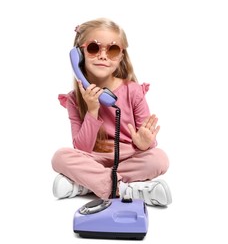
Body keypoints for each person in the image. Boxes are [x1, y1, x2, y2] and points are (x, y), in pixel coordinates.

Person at [51, 18, 172, 206]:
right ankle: (126, 189)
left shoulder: (132, 91)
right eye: (93, 48)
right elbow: (81, 148)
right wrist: (92, 110)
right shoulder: (74, 100)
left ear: (121, 57)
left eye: (113, 49)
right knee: (60, 157)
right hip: (94, 158)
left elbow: (147, 140)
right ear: (79, 55)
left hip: (128, 158)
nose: (103, 55)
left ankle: (87, 185)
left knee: (159, 159)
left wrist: (144, 143)